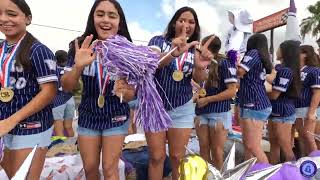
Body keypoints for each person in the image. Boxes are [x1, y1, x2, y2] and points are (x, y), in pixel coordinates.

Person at [61, 0, 135, 179]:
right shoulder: (80, 46)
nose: (106, 20)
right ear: (92, 18)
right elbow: (66, 87)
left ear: (119, 21)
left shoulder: (129, 50)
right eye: (100, 14)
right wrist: (78, 67)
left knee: (110, 169)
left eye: (112, 15)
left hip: (116, 116)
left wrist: (126, 92)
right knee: (90, 169)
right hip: (88, 117)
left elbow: (132, 95)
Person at [147, 7, 210, 180]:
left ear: (195, 26)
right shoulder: (158, 41)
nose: (186, 25)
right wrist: (172, 53)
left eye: (191, 22)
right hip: (155, 107)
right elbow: (152, 63)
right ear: (174, 22)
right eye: (182, 20)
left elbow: (199, 79)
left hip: (182, 107)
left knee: (177, 157)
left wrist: (199, 66)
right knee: (156, 157)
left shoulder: (197, 49)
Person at [0, 0, 57, 179]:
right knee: (11, 176)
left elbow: (49, 92)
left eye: (12, 13)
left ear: (28, 18)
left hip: (31, 126)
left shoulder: (39, 50)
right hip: (4, 126)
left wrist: (11, 120)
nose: (3, 19)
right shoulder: (1, 48)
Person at [195, 35, 237, 169]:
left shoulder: (224, 63)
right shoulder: (200, 62)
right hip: (201, 113)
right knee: (203, 150)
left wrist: (207, 99)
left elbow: (232, 91)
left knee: (217, 152)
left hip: (219, 113)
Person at [237, 33, 273, 163]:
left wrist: (232, 64)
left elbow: (240, 72)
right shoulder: (262, 56)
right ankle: (249, 174)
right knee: (248, 145)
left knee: (253, 146)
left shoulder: (253, 53)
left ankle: (269, 174)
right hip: (255, 103)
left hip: (254, 103)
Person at [267, 40, 301, 164]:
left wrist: (260, 93)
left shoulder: (286, 71)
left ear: (286, 52)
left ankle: (293, 173)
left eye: (279, 48)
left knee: (285, 145)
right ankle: (274, 172)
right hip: (276, 111)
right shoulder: (282, 69)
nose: (277, 50)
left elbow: (275, 94)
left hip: (283, 112)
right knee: (274, 144)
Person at [295, 45, 320, 155]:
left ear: (305, 54)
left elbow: (317, 92)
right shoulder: (297, 70)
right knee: (302, 138)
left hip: (307, 108)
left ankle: (316, 162)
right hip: (297, 108)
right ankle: (306, 162)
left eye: (298, 52)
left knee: (308, 137)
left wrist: (311, 112)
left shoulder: (314, 70)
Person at [52, 50, 76, 137]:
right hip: (70, 99)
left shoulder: (53, 70)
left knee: (58, 129)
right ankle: (71, 146)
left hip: (57, 101)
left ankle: (60, 147)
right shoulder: (70, 71)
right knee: (69, 127)